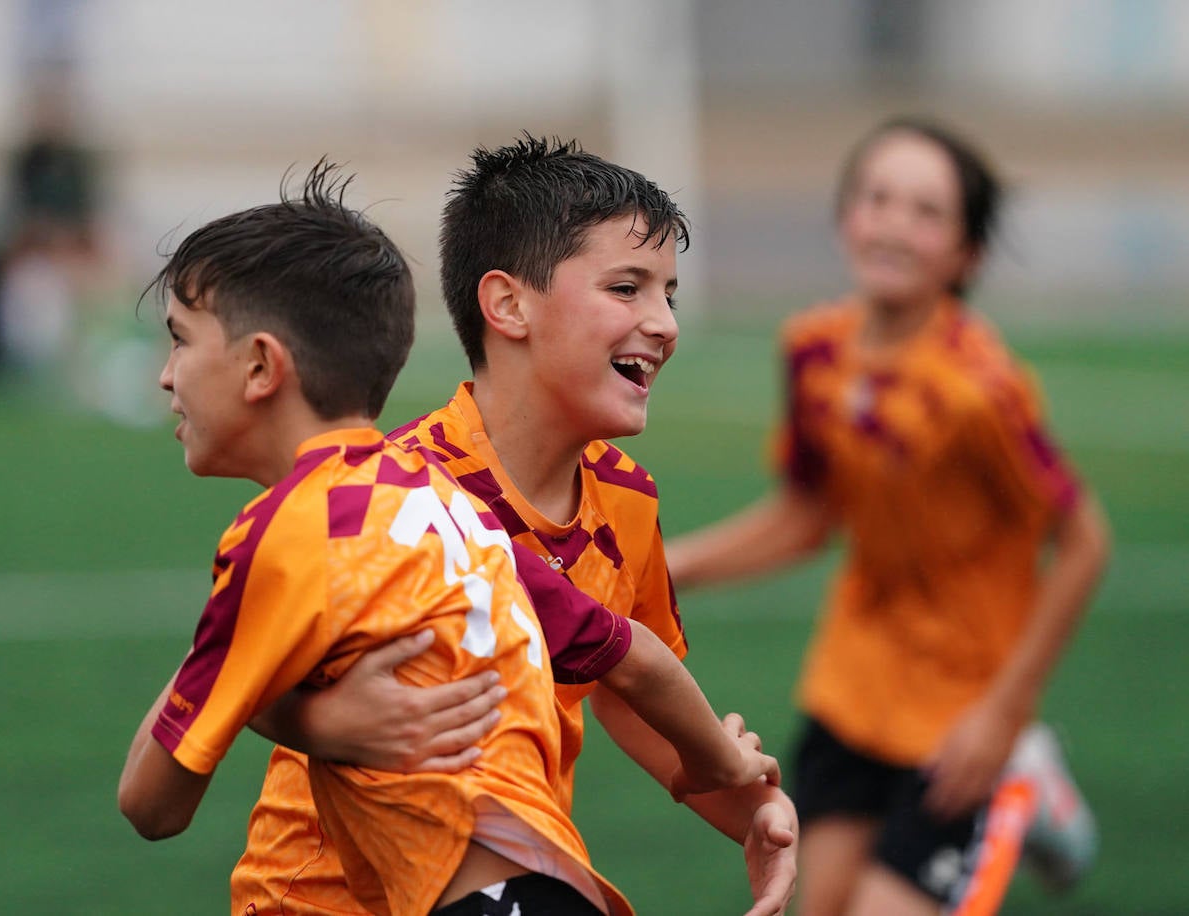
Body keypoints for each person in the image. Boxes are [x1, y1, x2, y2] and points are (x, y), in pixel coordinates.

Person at [117, 160, 781, 916]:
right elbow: (631, 656)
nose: (665, 322)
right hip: (359, 894)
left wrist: (747, 803)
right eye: (627, 288)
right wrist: (323, 724)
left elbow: (157, 794)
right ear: (507, 304)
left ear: (264, 364)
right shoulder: (435, 493)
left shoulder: (339, 521)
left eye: (666, 293)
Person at [664, 116, 1109, 916]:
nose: (895, 224)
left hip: (960, 715)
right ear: (846, 217)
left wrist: (1003, 713)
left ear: (967, 254)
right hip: (850, 691)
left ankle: (1026, 768)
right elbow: (810, 515)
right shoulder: (813, 350)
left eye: (927, 211)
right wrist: (672, 567)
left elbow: (1083, 542)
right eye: (877, 198)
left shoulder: (981, 389)